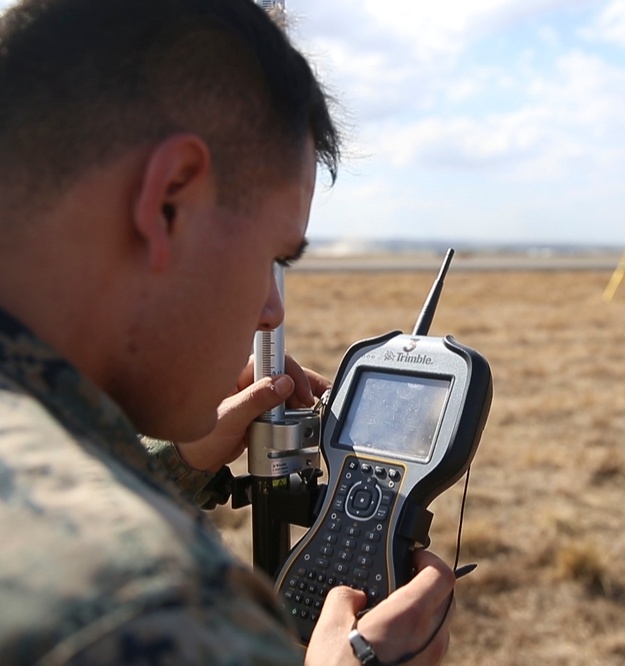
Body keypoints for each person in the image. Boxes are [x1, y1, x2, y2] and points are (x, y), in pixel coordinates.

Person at [0, 0, 455, 664]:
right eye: (275, 257)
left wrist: (178, 462)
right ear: (169, 200)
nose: (271, 311)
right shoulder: (151, 603)